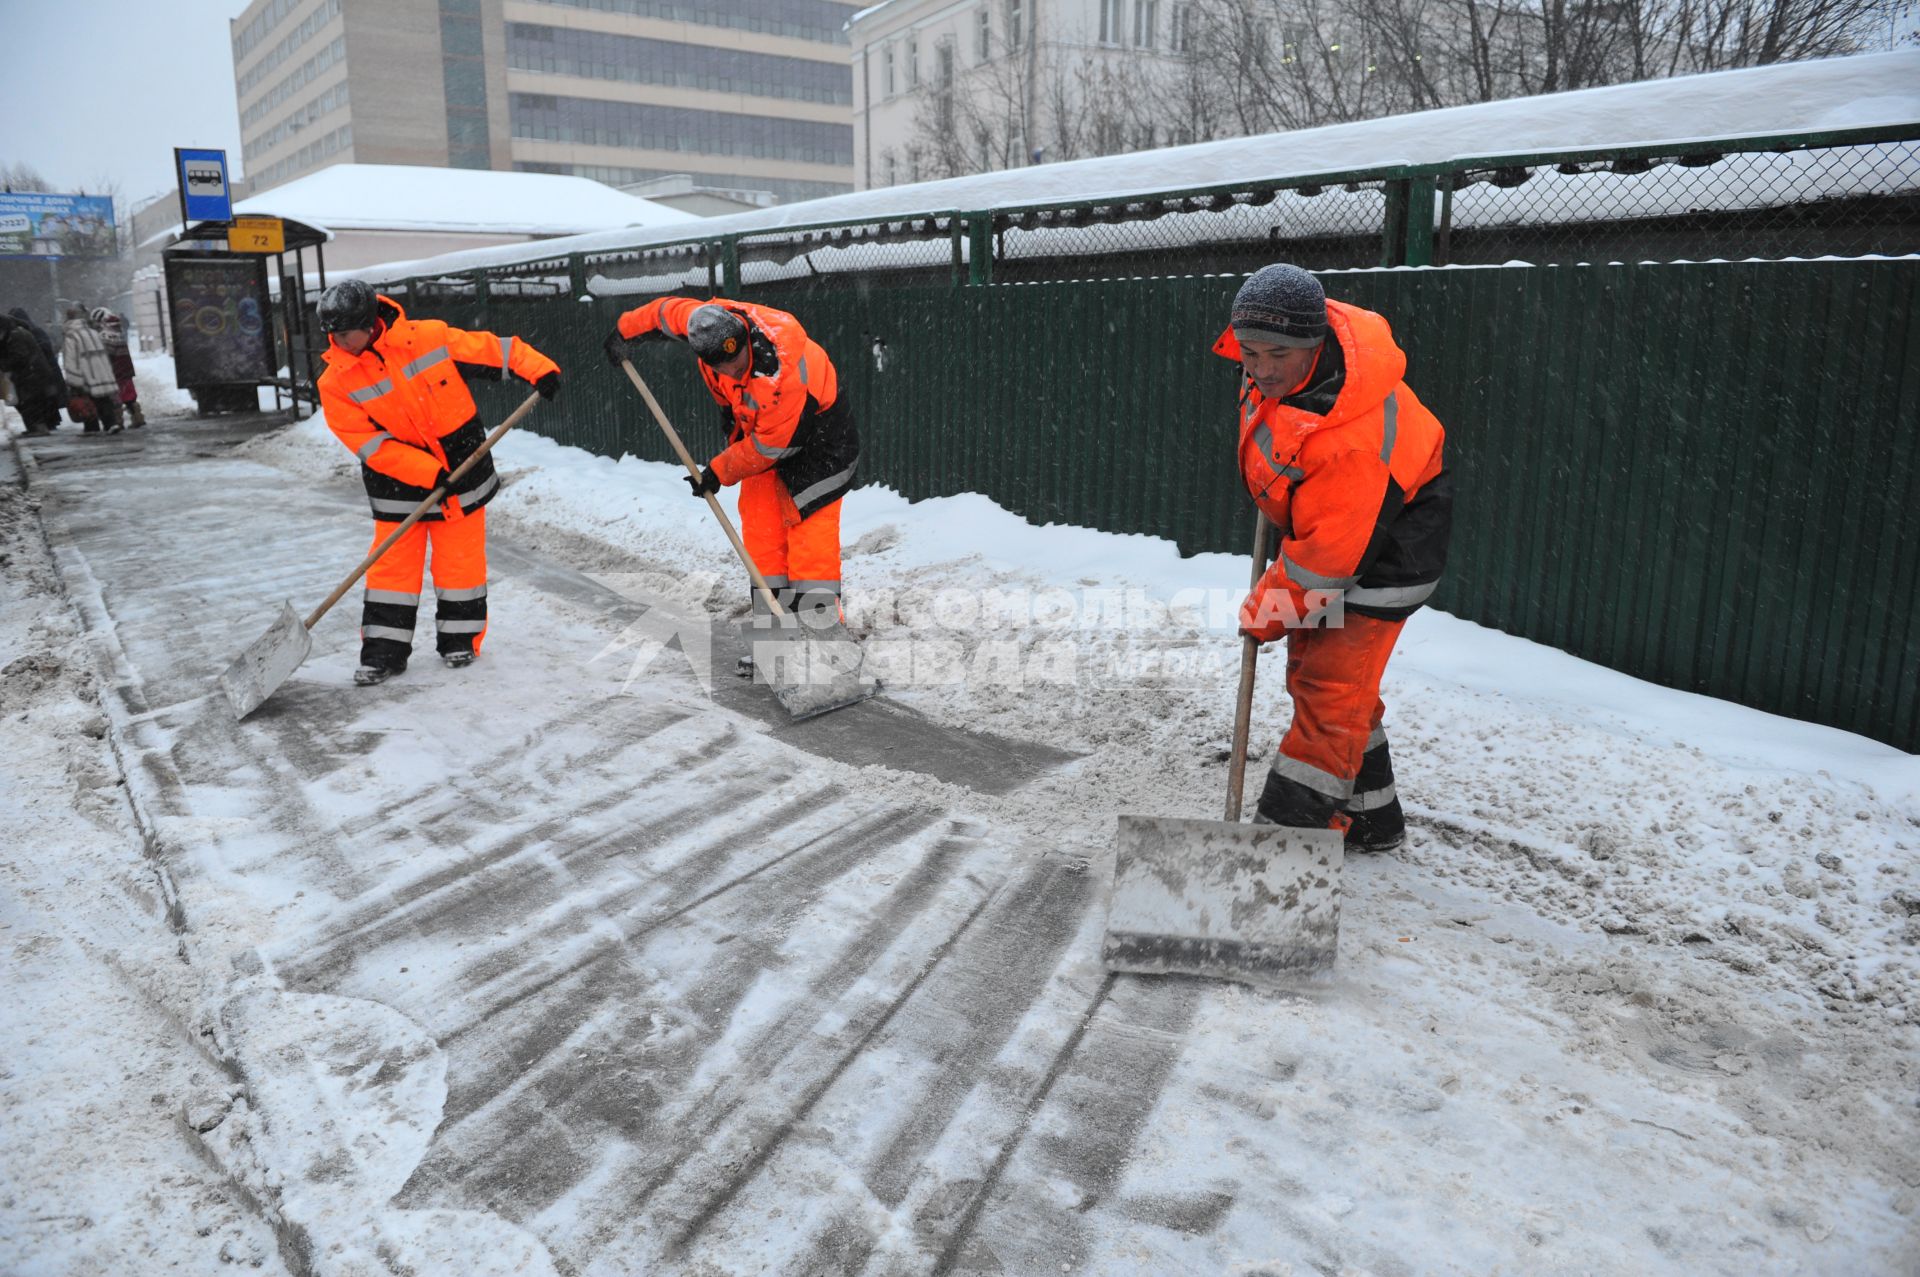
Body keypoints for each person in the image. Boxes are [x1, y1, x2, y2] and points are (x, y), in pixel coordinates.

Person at [1221, 264, 1453, 854]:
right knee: (1331, 687)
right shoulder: (1292, 376)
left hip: (1385, 556)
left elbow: (1325, 565)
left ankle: (1280, 857)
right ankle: (1374, 820)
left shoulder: (1350, 439)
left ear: (1314, 345)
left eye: (1279, 353)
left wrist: (1266, 612)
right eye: (1250, 352)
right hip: (1335, 535)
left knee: (1329, 698)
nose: (1263, 368)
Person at [314, 279, 560, 686]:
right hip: (397, 482)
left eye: (343, 333)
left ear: (369, 321)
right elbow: (369, 444)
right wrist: (428, 474)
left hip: (463, 467)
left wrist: (540, 370)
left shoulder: (426, 338)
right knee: (392, 571)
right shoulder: (335, 382)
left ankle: (459, 640)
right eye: (332, 335)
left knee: (460, 564)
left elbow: (494, 350)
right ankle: (383, 654)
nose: (338, 343)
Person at [604, 297, 859, 644]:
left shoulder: (781, 372)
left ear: (746, 339)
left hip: (820, 444)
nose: (734, 374)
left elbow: (770, 448)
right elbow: (666, 313)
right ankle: (777, 647)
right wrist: (625, 332)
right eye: (726, 369)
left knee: (810, 549)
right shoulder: (708, 323)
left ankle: (823, 647)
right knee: (762, 542)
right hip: (759, 437)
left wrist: (717, 471)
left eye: (740, 366)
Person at [60, 304, 122, 433]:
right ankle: (110, 423)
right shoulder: (93, 332)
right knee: (103, 398)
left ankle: (91, 427)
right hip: (101, 372)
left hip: (85, 373)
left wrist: (73, 379)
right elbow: (104, 353)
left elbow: (70, 359)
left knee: (87, 401)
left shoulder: (71, 336)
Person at [0, 312, 63, 436]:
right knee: (27, 402)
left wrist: (4, 364)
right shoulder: (14, 334)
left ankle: (38, 428)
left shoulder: (16, 335)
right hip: (31, 374)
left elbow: (19, 357)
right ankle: (35, 428)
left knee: (30, 402)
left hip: (32, 374)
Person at [91, 307, 144, 428]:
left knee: (115, 398)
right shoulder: (118, 331)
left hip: (115, 371)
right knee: (129, 395)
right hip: (126, 370)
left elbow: (107, 356)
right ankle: (138, 417)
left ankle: (118, 421)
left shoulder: (105, 335)